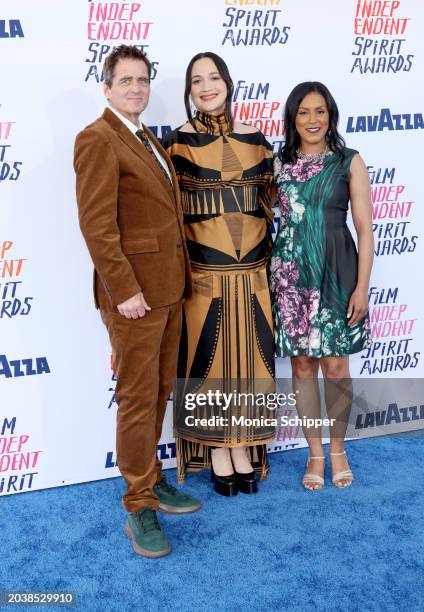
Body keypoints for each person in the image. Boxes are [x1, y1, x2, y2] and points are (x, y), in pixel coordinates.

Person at [74, 45, 201, 558]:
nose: (135, 88)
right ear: (106, 88)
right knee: (135, 399)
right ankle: (137, 505)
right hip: (134, 298)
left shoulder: (146, 137)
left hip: (167, 290)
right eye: (125, 81)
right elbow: (97, 226)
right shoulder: (97, 138)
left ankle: (150, 478)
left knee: (158, 392)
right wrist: (124, 289)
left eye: (142, 80)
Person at [162, 52, 276, 496]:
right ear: (189, 91)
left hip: (253, 274)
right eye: (197, 80)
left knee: (250, 363)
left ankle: (244, 445)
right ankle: (216, 451)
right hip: (203, 275)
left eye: (214, 77)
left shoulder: (257, 139)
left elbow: (272, 203)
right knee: (210, 361)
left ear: (228, 83)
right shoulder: (175, 144)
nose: (207, 86)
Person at [271, 81, 373, 490]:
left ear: (330, 114)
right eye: (303, 113)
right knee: (302, 366)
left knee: (335, 366)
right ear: (292, 119)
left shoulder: (349, 161)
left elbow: (365, 230)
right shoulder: (277, 164)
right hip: (292, 274)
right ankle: (314, 453)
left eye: (320, 111)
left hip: (336, 273)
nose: (313, 120)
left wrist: (362, 287)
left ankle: (337, 449)